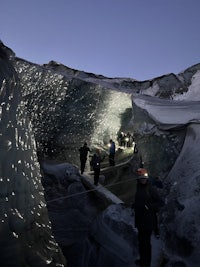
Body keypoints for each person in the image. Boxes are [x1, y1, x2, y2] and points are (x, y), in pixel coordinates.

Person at [133, 174, 163, 267]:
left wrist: (149, 207)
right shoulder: (138, 188)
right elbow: (139, 200)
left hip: (148, 221)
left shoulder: (150, 189)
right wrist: (134, 205)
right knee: (141, 242)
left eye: (144, 179)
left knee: (146, 243)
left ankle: (146, 264)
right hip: (140, 220)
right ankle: (143, 261)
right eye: (141, 179)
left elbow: (160, 202)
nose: (143, 180)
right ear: (138, 179)